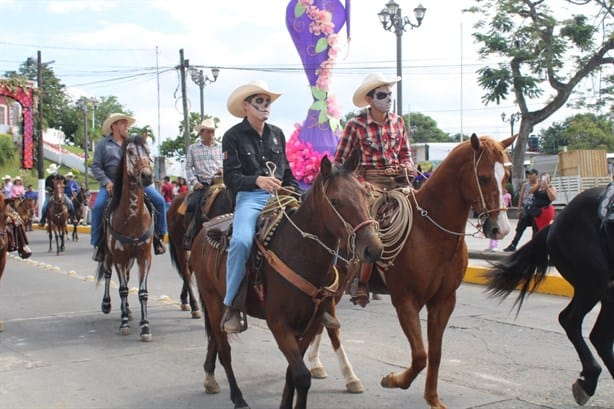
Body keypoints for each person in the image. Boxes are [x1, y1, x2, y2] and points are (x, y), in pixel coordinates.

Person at [221, 80, 298, 334]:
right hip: (250, 199)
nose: (266, 106)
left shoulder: (277, 133)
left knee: (319, 227)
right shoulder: (232, 136)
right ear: (246, 106)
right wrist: (257, 180)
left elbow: (286, 171)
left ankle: (325, 297)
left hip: (282, 197)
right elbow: (230, 179)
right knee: (241, 241)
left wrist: (299, 193)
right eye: (260, 101)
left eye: (268, 102)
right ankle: (232, 304)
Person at [333, 72, 415, 306]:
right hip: (368, 184)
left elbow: (406, 155)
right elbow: (340, 164)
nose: (388, 99)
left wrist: (406, 167)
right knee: (369, 225)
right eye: (382, 95)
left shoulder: (398, 122)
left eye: (389, 94)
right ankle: (361, 281)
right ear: (369, 100)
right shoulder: (355, 125)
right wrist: (359, 183)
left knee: (423, 212)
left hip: (399, 183)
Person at [90, 112, 167, 261]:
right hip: (111, 184)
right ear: (114, 126)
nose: (126, 126)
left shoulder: (133, 144)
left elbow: (143, 159)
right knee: (98, 207)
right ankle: (98, 244)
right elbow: (96, 167)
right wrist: (106, 182)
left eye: (126, 123)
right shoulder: (103, 144)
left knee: (159, 201)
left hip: (137, 183)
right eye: (123, 123)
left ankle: (158, 237)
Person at [182, 118, 223, 250]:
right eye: (208, 132)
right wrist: (194, 182)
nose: (211, 135)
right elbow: (188, 168)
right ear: (201, 133)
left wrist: (223, 170)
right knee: (194, 205)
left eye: (213, 132)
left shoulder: (220, 147)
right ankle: (191, 234)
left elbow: (227, 164)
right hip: (203, 184)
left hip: (221, 183)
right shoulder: (193, 148)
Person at [504, 168, 539, 251]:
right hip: (526, 208)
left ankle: (533, 247)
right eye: (528, 174)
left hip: (535, 209)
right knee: (520, 228)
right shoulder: (525, 185)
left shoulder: (539, 185)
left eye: (531, 174)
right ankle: (513, 245)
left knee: (535, 229)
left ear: (536, 175)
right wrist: (519, 210)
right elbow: (521, 197)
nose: (529, 176)